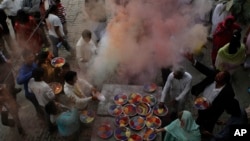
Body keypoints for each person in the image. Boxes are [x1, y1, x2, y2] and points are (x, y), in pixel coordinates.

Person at [185, 53, 235, 133]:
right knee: (199, 119)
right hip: (202, 105)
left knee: (208, 127)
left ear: (223, 81)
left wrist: (214, 111)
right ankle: (196, 128)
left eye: (219, 77)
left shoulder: (228, 92)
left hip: (211, 113)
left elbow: (223, 108)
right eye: (217, 74)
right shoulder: (214, 75)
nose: (216, 76)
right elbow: (204, 69)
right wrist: (192, 60)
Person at [16, 50, 43, 116]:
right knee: (38, 106)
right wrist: (32, 73)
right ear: (25, 59)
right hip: (31, 94)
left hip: (37, 89)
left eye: (32, 56)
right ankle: (40, 116)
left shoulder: (33, 64)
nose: (32, 59)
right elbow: (19, 81)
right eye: (29, 58)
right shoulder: (23, 69)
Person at [28, 67, 55, 131]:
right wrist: (52, 90)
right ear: (41, 77)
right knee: (50, 115)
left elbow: (30, 91)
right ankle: (51, 128)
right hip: (48, 104)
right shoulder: (45, 86)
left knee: (46, 115)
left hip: (40, 102)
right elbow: (52, 97)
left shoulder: (31, 81)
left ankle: (49, 126)